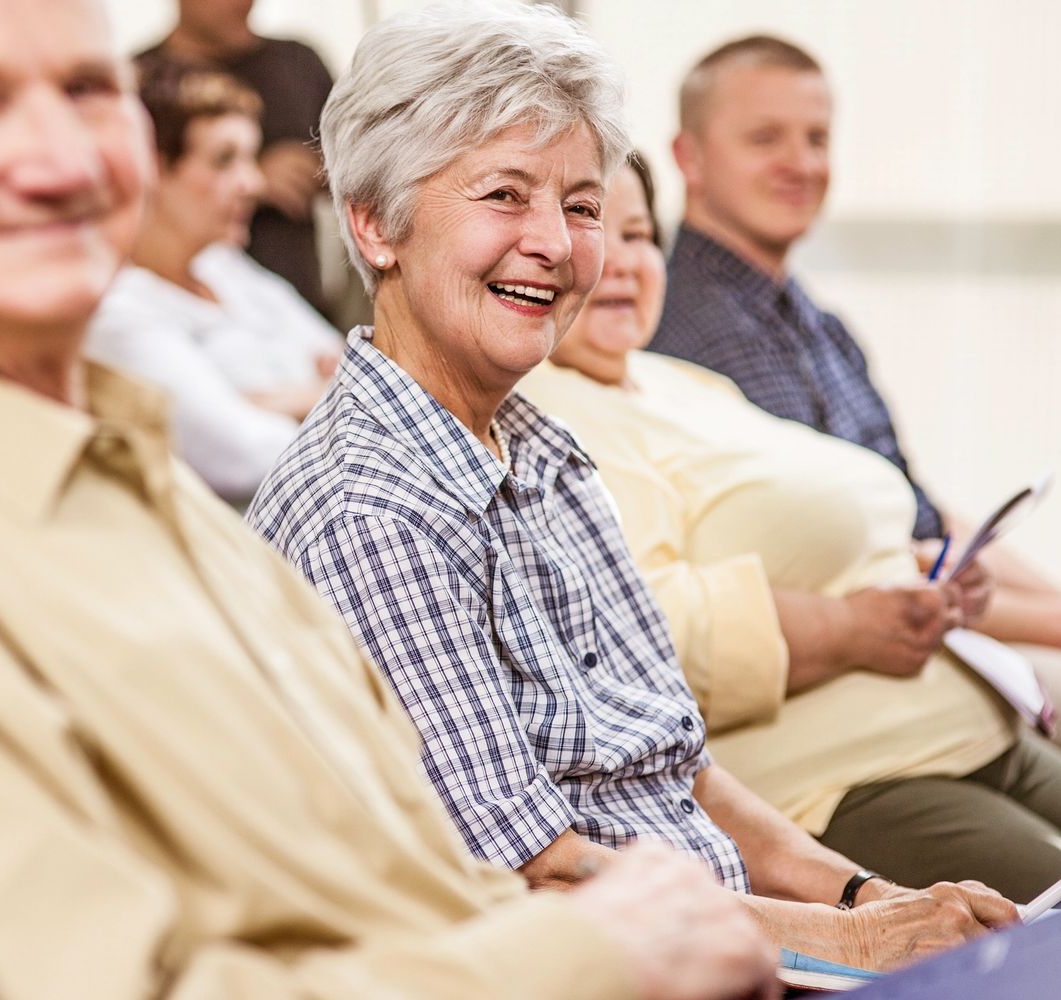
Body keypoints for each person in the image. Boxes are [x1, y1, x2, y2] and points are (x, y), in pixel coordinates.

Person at [0, 1, 781, 998]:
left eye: (89, 91)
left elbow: (398, 883)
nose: (58, 159)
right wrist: (600, 950)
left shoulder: (143, 491)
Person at [249, 0, 1018, 974]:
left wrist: (872, 897)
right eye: (503, 196)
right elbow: (537, 875)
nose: (557, 244)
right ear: (374, 226)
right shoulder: (369, 508)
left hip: (736, 947)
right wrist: (858, 942)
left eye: (579, 205)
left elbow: (677, 766)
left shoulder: (544, 452)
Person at [520, 151, 1061, 901]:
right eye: (592, 229)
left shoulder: (680, 383)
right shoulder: (545, 416)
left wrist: (926, 580)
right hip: (849, 781)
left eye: (640, 234)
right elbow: (629, 637)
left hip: (977, 728)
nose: (620, 262)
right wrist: (844, 628)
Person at [648, 34, 1061, 670]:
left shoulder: (816, 322)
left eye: (816, 139)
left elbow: (924, 517)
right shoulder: (690, 333)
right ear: (690, 157)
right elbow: (864, 567)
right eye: (765, 139)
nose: (802, 163)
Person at [87, 64, 340, 505]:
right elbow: (244, 456)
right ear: (152, 169)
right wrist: (325, 393)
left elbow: (355, 363)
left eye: (251, 158)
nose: (253, 183)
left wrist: (268, 401)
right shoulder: (117, 313)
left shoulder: (225, 268)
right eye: (225, 160)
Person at [138, 0, 335, 314]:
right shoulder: (139, 81)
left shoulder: (297, 63)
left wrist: (323, 169)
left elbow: (361, 174)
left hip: (298, 301)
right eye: (224, 158)